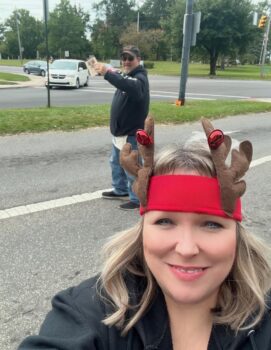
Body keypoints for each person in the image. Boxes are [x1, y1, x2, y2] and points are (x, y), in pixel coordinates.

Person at [18, 117, 271, 350]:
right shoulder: (87, 312)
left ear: (237, 234)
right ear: (142, 231)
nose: (186, 248)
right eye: (164, 221)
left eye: (211, 225)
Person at [93, 45, 150, 211]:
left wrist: (108, 73)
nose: (126, 61)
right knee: (116, 163)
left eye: (130, 58)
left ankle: (137, 198)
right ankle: (120, 189)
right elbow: (121, 78)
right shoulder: (127, 76)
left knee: (131, 167)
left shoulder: (140, 78)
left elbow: (131, 86)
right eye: (123, 58)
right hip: (119, 133)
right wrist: (109, 70)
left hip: (132, 133)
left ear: (138, 60)